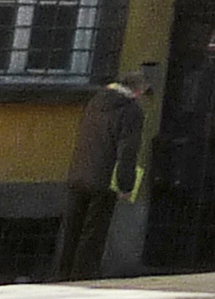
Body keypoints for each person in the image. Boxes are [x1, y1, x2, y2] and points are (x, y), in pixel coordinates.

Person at [57, 69, 149, 277]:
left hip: (79, 172)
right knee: (94, 233)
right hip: (105, 179)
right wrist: (125, 185)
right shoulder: (131, 111)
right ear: (138, 90)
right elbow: (127, 152)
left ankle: (62, 274)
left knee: (72, 228)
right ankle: (83, 276)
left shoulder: (95, 102)